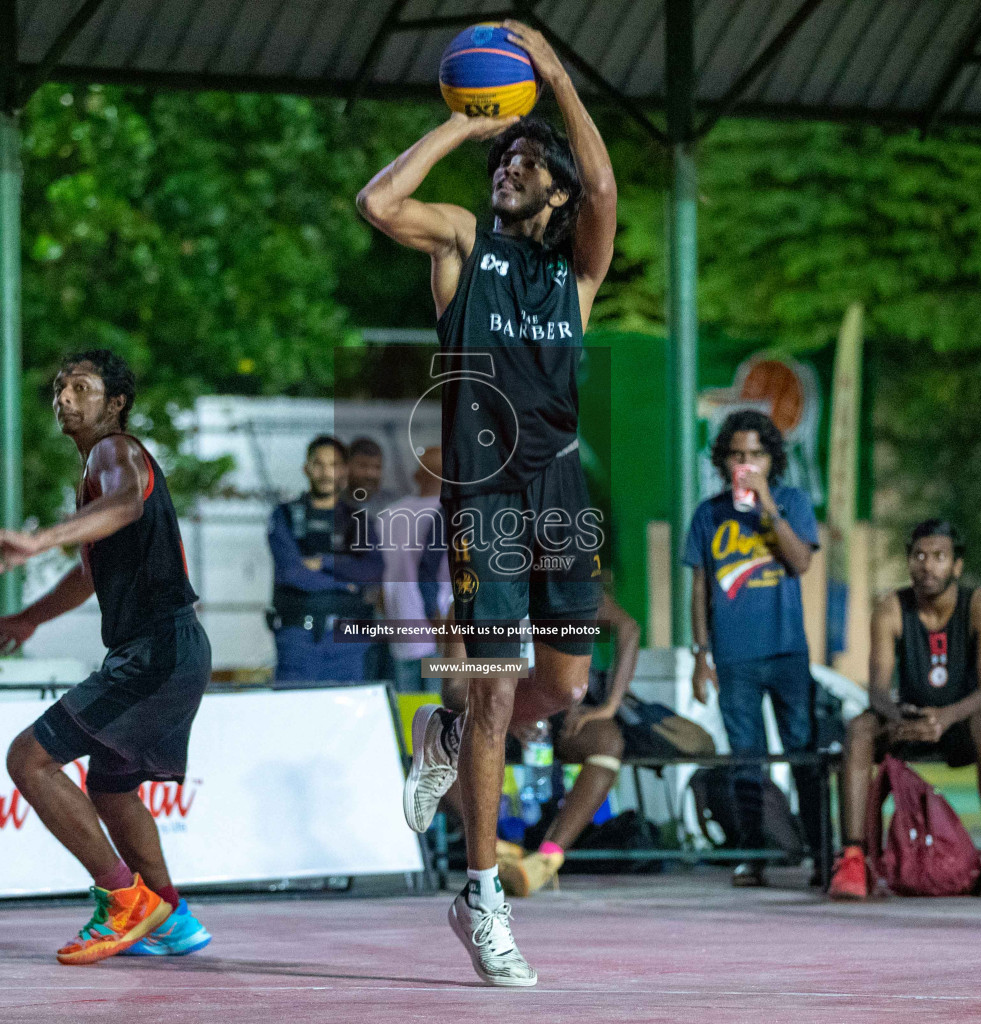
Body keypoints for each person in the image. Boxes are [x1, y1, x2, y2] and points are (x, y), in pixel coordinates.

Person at [357, 18, 616, 987]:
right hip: (485, 493)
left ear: (553, 196)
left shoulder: (575, 276)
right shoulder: (465, 244)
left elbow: (605, 188)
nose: (511, 166)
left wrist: (551, 70)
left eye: (524, 160)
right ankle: (480, 892)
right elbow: (379, 200)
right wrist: (469, 126)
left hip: (560, 488)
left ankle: (447, 728)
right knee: (502, 677)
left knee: (561, 691)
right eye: (503, 158)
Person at [0, 349, 212, 965]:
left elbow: (128, 504)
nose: (64, 397)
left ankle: (123, 900)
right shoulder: (94, 474)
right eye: (59, 387)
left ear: (115, 404)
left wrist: (37, 539)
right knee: (111, 789)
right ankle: (170, 916)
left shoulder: (116, 451)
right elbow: (89, 576)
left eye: (80, 387)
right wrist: (30, 616)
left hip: (158, 649)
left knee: (28, 759)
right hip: (167, 648)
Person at [827, 519, 981, 900]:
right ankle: (853, 856)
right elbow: (877, 690)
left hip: (962, 722)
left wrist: (945, 718)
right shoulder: (891, 607)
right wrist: (898, 719)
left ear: (957, 566)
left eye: (939, 557)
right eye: (919, 556)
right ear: (909, 562)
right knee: (860, 729)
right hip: (911, 722)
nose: (927, 565)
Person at [685, 410, 824, 887]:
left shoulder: (792, 501)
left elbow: (801, 561)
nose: (746, 464)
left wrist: (767, 506)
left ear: (772, 459)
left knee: (804, 751)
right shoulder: (708, 513)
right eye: (737, 455)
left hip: (788, 652)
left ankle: (821, 852)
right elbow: (700, 588)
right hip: (734, 656)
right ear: (723, 460)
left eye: (756, 455)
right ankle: (753, 853)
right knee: (746, 758)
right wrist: (701, 655)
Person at [499, 588, 641, 897]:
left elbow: (628, 628)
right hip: (498, 713)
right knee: (441, 736)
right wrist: (506, 715)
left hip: (558, 715)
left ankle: (547, 858)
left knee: (606, 742)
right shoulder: (479, 587)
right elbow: (452, 678)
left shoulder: (563, 580)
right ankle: (497, 852)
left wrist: (609, 706)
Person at [267, 435, 384, 683]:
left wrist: (325, 563)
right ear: (306, 468)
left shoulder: (358, 520)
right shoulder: (285, 515)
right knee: (294, 712)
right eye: (318, 464)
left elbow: (373, 571)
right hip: (298, 635)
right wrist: (346, 583)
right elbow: (292, 573)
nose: (325, 472)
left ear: (344, 470)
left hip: (349, 640)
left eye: (333, 465)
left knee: (349, 716)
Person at [379, 446, 451, 692]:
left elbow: (376, 581)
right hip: (441, 634)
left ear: (415, 475)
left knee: (408, 718)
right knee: (442, 718)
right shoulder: (457, 514)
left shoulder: (386, 516)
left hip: (400, 634)